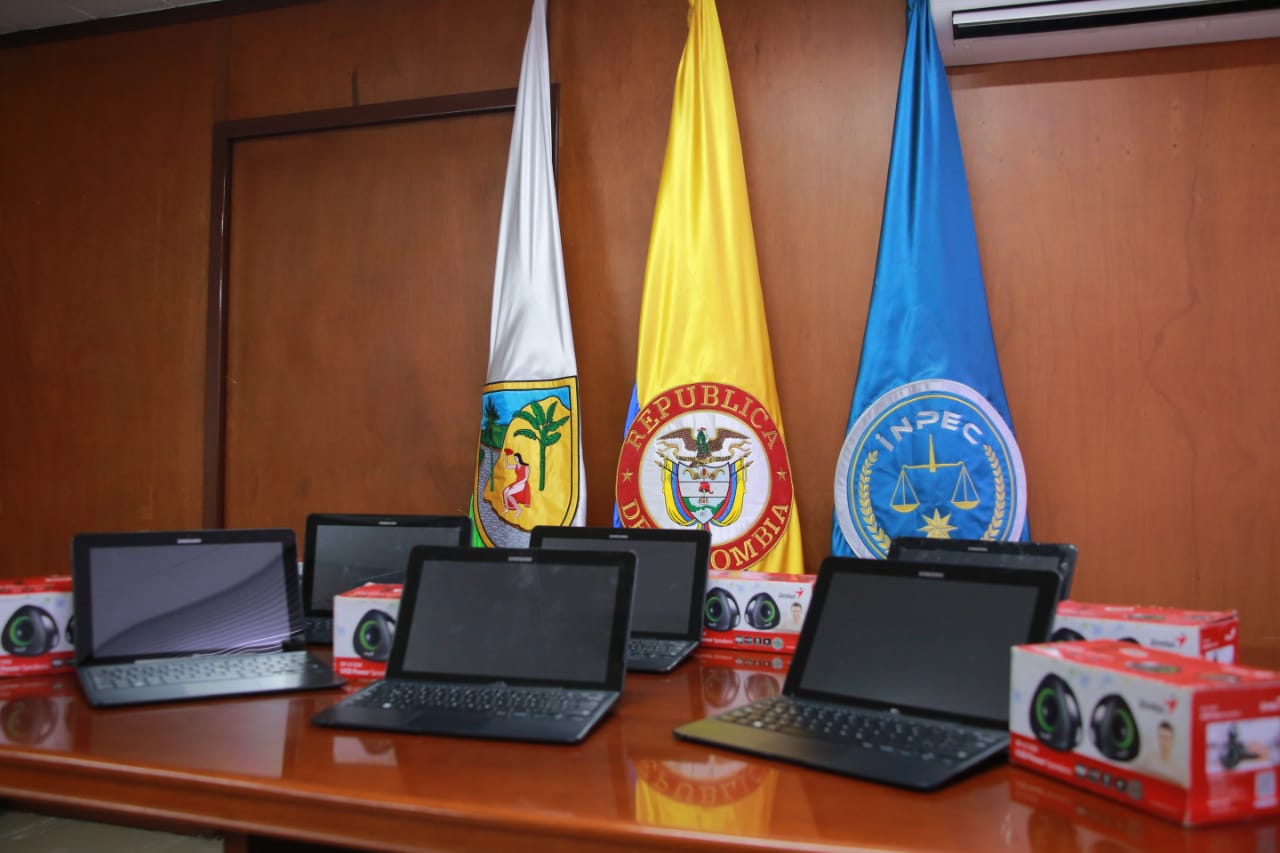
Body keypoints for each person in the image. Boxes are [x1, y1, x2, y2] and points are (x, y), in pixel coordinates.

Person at [502, 450, 531, 518]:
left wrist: (516, 485)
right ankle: (507, 508)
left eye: (516, 458)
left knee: (509, 494)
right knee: (505, 492)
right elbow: (507, 466)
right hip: (516, 482)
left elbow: (526, 478)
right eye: (514, 458)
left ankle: (518, 509)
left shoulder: (526, 466)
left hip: (522, 483)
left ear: (519, 458)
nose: (515, 459)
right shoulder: (516, 466)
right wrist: (506, 456)